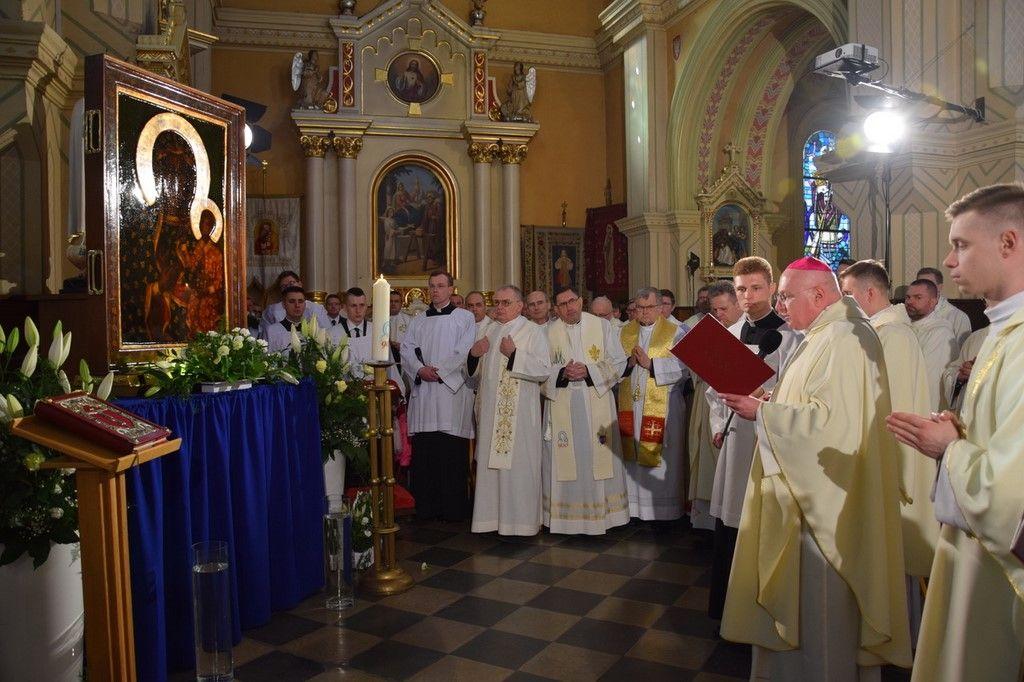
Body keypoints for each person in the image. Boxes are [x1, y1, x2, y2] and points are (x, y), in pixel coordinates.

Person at [719, 256, 911, 680]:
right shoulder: (824, 334)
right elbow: (818, 408)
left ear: (819, 294)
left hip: (825, 507)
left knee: (820, 617)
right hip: (807, 494)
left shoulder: (844, 338)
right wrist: (773, 404)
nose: (781, 305)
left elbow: (832, 428)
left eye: (786, 295)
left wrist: (763, 415)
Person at [887, 183, 1024, 682]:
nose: (948, 260)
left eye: (961, 244)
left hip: (1000, 571)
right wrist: (958, 429)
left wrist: (950, 448)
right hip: (970, 552)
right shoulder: (999, 331)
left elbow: (1015, 496)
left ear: (1008, 243)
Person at [839, 260, 937, 626]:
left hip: (891, 453)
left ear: (870, 293)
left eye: (847, 295)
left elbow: (886, 406)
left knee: (892, 552)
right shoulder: (880, 330)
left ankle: (895, 630)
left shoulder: (891, 335)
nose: (843, 303)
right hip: (879, 451)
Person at [706, 257, 797, 621]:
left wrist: (766, 393)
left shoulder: (791, 335)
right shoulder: (728, 334)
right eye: (741, 289)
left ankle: (760, 609)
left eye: (757, 288)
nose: (749, 297)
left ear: (772, 288)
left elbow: (794, 386)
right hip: (735, 435)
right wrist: (716, 422)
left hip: (766, 434)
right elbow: (715, 388)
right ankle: (729, 607)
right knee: (732, 520)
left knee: (760, 516)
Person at [541, 285, 629, 534]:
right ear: (556, 309)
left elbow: (619, 361)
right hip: (563, 399)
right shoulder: (548, 331)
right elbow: (538, 369)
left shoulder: (602, 326)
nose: (569, 308)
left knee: (597, 455)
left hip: (596, 400)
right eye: (562, 304)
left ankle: (603, 517)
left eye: (572, 301)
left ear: (581, 301)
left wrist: (589, 371)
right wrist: (562, 373)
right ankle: (564, 520)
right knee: (565, 456)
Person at [469, 285, 551, 535]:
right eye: (496, 302)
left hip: (519, 418)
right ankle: (491, 521)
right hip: (490, 414)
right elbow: (475, 374)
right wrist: (473, 355)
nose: (499, 308)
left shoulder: (532, 331)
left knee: (518, 469)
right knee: (491, 470)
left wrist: (514, 355)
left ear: (519, 305)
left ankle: (520, 525)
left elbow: (543, 369)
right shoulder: (489, 330)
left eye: (505, 302)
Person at [400, 271, 477, 521]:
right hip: (425, 394)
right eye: (432, 286)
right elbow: (407, 350)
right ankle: (426, 507)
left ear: (451, 289)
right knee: (426, 452)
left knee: (450, 452)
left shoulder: (464, 318)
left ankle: (454, 509)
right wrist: (420, 370)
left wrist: (441, 372)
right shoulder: (418, 319)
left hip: (450, 395)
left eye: (441, 286)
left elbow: (465, 350)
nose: (435, 290)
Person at [618, 287, 689, 520]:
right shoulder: (624, 332)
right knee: (633, 452)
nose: (644, 312)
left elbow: (685, 369)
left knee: (664, 457)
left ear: (660, 308)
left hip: (664, 405)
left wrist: (651, 365)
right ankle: (635, 508)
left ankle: (664, 512)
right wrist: (628, 364)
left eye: (649, 307)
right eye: (639, 307)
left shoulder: (678, 331)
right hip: (631, 405)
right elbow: (612, 364)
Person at [905, 279, 958, 410]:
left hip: (927, 406)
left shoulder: (940, 332)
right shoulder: (903, 325)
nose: (910, 301)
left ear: (933, 302)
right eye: (908, 297)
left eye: (918, 297)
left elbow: (930, 379)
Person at [259, 270, 330, 338]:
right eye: (284, 286)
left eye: (291, 283)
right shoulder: (272, 310)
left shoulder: (317, 309)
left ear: (300, 284)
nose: (288, 287)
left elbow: (326, 333)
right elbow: (264, 335)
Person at [916, 266, 972, 348]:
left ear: (940, 287)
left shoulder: (958, 317)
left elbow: (964, 350)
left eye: (929, 284)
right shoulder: (909, 313)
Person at [940, 326, 988, 414]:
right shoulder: (976, 337)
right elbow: (954, 369)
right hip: (968, 411)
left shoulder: (1018, 338)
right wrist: (959, 376)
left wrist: (982, 374)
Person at [265, 286, 307, 354]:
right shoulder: (272, 331)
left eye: (300, 301)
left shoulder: (312, 332)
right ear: (284, 305)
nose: (297, 305)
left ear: (305, 305)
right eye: (292, 301)